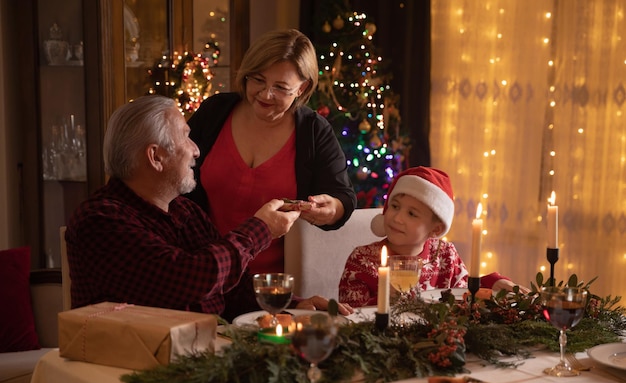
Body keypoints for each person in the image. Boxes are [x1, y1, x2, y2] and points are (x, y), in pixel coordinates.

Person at [65, 95, 352, 321]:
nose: (196, 149)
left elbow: (231, 290)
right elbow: (189, 278)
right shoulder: (100, 220)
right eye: (186, 137)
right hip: (132, 373)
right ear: (156, 157)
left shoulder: (184, 212)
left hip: (201, 358)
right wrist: (260, 229)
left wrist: (294, 306)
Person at [185, 28, 357, 276]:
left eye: (280, 87)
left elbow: (344, 197)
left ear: (302, 87)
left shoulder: (313, 131)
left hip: (273, 285)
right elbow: (174, 174)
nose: (266, 94)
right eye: (257, 80)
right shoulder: (215, 111)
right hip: (204, 270)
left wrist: (332, 209)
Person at [338, 166, 528, 307]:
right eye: (395, 206)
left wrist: (493, 282)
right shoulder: (362, 261)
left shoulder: (445, 255)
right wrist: (385, 301)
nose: (397, 217)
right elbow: (350, 317)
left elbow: (464, 293)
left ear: (435, 230)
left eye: (412, 214)